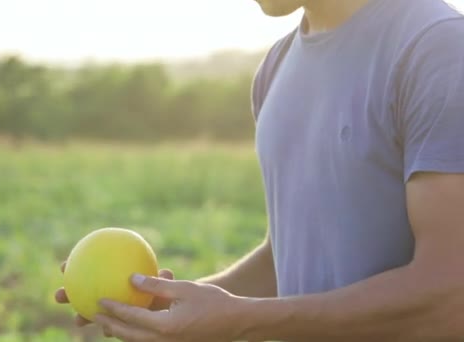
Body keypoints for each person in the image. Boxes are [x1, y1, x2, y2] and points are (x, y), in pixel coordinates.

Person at [55, 0, 464, 340]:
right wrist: (168, 303)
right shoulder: (276, 66)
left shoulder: (439, 49)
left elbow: (451, 297)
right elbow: (284, 258)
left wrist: (246, 319)